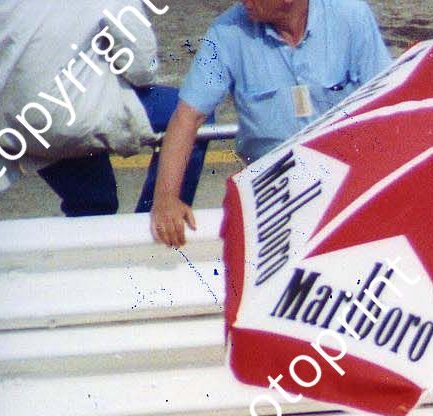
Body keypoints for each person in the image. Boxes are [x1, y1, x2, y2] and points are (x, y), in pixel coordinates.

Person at [149, 0, 390, 247]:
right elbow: (187, 117)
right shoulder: (226, 32)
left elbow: (388, 102)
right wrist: (166, 198)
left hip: (348, 189)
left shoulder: (351, 15)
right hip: (272, 199)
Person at [0, 0, 205, 216]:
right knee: (192, 115)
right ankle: (153, 223)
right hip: (70, 118)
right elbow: (142, 69)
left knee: (95, 202)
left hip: (14, 123)